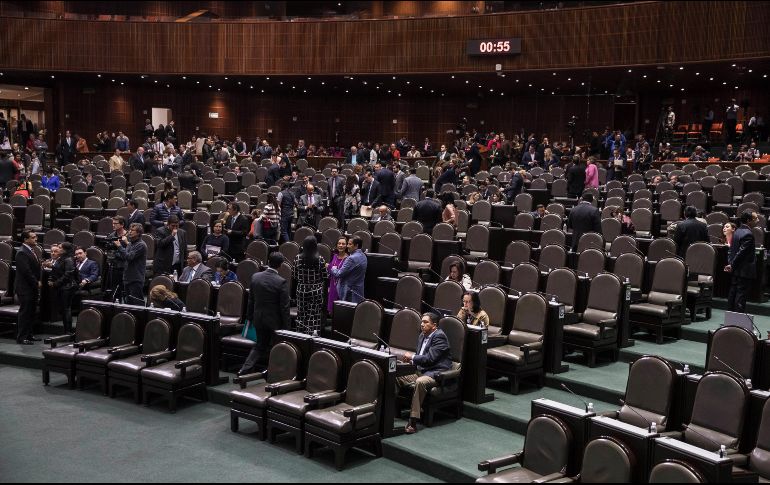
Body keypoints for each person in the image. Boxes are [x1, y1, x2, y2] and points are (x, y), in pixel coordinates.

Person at [397, 312, 453, 434]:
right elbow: (420, 359)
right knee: (396, 376)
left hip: (435, 373)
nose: (422, 324)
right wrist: (411, 361)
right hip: (420, 370)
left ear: (434, 325)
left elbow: (430, 359)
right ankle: (391, 410)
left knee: (420, 382)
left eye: (426, 322)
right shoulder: (422, 336)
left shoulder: (439, 336)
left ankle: (413, 421)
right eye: (422, 322)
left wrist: (412, 357)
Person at [239, 252, 291, 375]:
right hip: (274, 321)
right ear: (280, 265)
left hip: (258, 317)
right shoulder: (281, 281)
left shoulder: (255, 277)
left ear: (268, 262)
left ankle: (244, 369)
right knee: (276, 346)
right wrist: (287, 327)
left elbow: (251, 300)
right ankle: (273, 372)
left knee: (260, 345)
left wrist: (249, 317)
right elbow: (284, 307)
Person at [292, 237, 328, 335]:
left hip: (301, 289)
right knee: (314, 315)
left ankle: (300, 335)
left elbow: (294, 275)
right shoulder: (320, 259)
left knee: (301, 314)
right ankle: (312, 337)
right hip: (316, 290)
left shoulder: (297, 258)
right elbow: (325, 276)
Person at [726, 210, 758, 313]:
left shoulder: (737, 231)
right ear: (749, 220)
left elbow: (731, 250)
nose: (757, 220)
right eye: (755, 218)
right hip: (744, 271)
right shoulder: (748, 234)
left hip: (736, 270)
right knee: (740, 297)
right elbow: (741, 253)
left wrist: (731, 264)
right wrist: (732, 265)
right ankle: (737, 323)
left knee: (733, 293)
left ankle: (730, 319)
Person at [14, 230, 41, 345]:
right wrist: (36, 283)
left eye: (36, 237)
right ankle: (21, 337)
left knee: (31, 312)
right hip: (25, 288)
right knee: (25, 313)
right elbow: (26, 271)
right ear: (25, 239)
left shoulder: (30, 250)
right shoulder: (21, 252)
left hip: (31, 288)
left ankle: (29, 335)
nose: (36, 239)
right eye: (33, 237)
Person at [115, 223, 147, 305]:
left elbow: (129, 257)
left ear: (138, 233)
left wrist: (119, 246)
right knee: (128, 303)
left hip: (136, 278)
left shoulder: (141, 245)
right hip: (127, 277)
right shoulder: (130, 244)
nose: (129, 232)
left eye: (132, 230)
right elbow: (125, 256)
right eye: (129, 230)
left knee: (137, 303)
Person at [331, 236, 367, 304]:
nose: (347, 246)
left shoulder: (351, 258)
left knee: (348, 313)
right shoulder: (364, 256)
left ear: (356, 246)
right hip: (358, 291)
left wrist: (332, 268)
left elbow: (339, 274)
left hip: (350, 293)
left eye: (350, 244)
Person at [327, 237, 348, 314]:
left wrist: (329, 266)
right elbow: (330, 271)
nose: (341, 245)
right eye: (339, 243)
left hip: (341, 286)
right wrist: (329, 286)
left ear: (346, 246)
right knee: (331, 311)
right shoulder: (334, 256)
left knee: (339, 311)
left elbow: (342, 273)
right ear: (336, 245)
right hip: (333, 285)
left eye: (343, 244)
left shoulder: (348, 259)